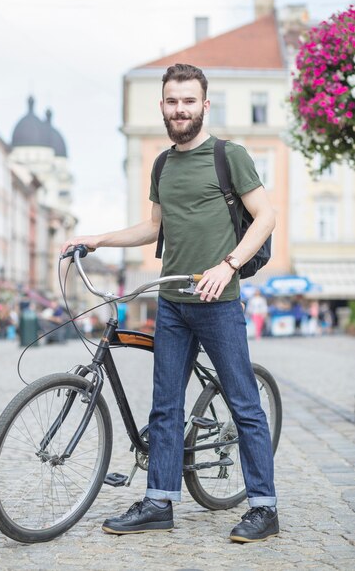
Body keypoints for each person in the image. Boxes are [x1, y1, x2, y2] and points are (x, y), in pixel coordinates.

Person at [61, 64, 278, 543]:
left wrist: (230, 265)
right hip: (174, 302)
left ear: (204, 104)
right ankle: (159, 502)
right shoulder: (162, 164)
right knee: (164, 407)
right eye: (172, 101)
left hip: (219, 301)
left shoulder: (229, 155)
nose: (180, 109)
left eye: (189, 101)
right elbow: (154, 228)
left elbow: (265, 216)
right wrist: (99, 238)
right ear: (162, 106)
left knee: (244, 404)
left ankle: (264, 508)